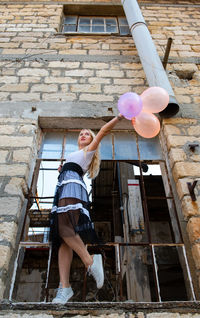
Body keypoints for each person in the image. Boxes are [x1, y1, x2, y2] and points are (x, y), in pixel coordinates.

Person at [50, 113, 124, 304]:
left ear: (91, 140)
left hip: (73, 186)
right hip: (64, 187)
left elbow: (103, 131)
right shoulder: (74, 154)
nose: (83, 135)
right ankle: (64, 287)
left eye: (87, 134)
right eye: (81, 134)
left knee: (64, 229)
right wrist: (63, 168)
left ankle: (90, 262)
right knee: (63, 238)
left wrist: (118, 117)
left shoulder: (88, 151)